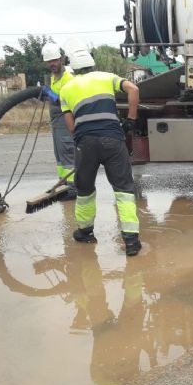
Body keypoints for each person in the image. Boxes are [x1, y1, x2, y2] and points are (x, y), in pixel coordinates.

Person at [59, 43, 142, 256]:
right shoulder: (106, 77)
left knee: (85, 188)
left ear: (73, 68)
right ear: (91, 63)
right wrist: (131, 119)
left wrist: (80, 141)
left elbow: (71, 125)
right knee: (123, 188)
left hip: (86, 143)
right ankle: (131, 241)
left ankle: (85, 233)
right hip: (113, 140)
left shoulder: (66, 89)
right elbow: (134, 89)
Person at [41, 42, 76, 199]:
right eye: (49, 61)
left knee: (68, 154)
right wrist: (46, 95)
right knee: (60, 156)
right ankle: (63, 184)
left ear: (61, 59)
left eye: (54, 60)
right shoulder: (54, 77)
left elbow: (65, 98)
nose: (52, 64)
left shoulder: (67, 77)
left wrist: (51, 95)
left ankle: (73, 188)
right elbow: (53, 96)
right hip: (56, 121)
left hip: (65, 119)